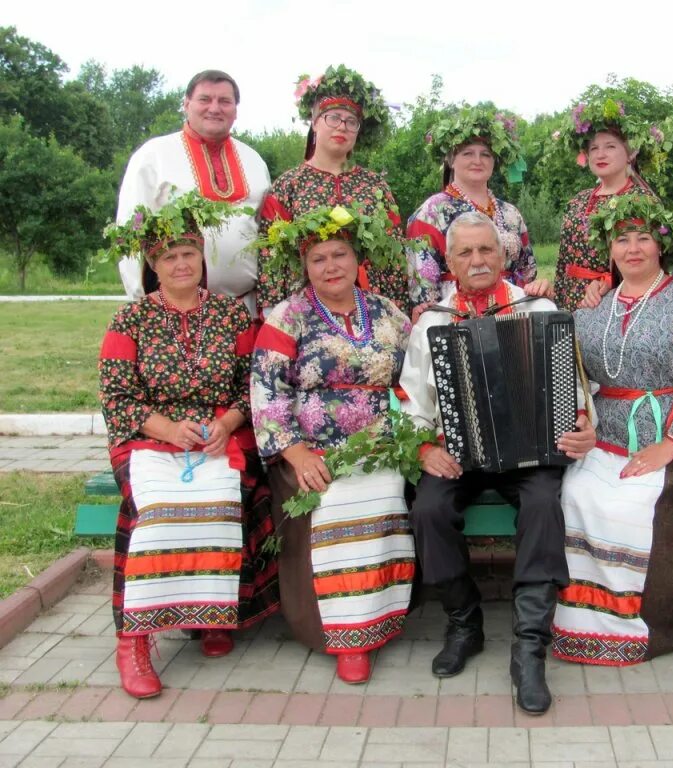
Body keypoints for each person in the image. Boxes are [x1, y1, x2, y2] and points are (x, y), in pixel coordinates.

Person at [399, 211, 596, 715]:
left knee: (543, 504)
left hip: (530, 453)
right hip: (457, 453)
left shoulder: (538, 309)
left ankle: (529, 648)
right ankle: (464, 624)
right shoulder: (432, 322)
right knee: (428, 510)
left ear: (504, 254)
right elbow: (412, 402)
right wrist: (424, 449)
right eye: (465, 252)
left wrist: (582, 426)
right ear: (449, 262)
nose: (477, 260)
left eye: (486, 249)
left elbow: (574, 390)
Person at [98, 192, 279, 699]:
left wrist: (228, 421)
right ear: (153, 265)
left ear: (202, 257)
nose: (181, 263)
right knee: (159, 512)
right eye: (170, 256)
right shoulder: (129, 321)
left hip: (219, 435)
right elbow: (117, 397)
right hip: (150, 439)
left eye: (189, 253)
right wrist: (170, 430)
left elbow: (251, 385)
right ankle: (134, 641)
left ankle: (210, 615)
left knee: (220, 500)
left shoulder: (231, 316)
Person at [552, 195, 673, 666]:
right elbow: (576, 378)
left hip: (668, 433)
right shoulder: (595, 305)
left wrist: (671, 444)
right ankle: (581, 625)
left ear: (660, 246)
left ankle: (646, 628)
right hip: (604, 436)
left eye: (643, 238)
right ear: (609, 249)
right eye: (622, 239)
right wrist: (581, 420)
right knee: (576, 496)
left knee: (631, 506)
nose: (632, 248)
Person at [251, 203, 415, 684]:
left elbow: (416, 374)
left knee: (385, 493)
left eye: (339, 254)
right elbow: (267, 392)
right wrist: (295, 451)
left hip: (382, 447)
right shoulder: (287, 317)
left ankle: (379, 616)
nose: (331, 267)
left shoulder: (387, 312)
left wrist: (412, 434)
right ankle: (345, 635)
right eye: (318, 259)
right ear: (304, 266)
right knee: (335, 501)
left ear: (357, 257)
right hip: (308, 449)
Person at [116, 70, 270, 315]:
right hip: (174, 313)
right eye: (205, 99)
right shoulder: (154, 156)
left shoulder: (254, 161)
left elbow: (266, 234)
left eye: (224, 101)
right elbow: (130, 234)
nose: (214, 108)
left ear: (236, 110)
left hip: (245, 309)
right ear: (186, 104)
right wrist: (143, 304)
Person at [258, 65, 409, 314]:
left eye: (351, 122)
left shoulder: (375, 185)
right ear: (315, 122)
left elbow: (394, 250)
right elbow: (270, 254)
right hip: (306, 308)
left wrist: (398, 307)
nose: (342, 127)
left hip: (372, 304)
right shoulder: (288, 185)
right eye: (333, 118)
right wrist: (272, 311)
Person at [407, 105, 535, 312]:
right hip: (458, 314)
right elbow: (423, 289)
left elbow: (527, 272)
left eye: (485, 154)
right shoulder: (431, 213)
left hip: (512, 312)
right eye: (468, 153)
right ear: (451, 160)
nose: (477, 161)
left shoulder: (511, 213)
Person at [551, 96, 663, 310]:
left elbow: (653, 260)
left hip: (613, 301)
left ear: (630, 153)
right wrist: (557, 303)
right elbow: (563, 260)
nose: (600, 154)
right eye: (594, 148)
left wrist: (611, 281)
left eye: (610, 146)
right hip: (570, 301)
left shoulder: (642, 200)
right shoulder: (578, 200)